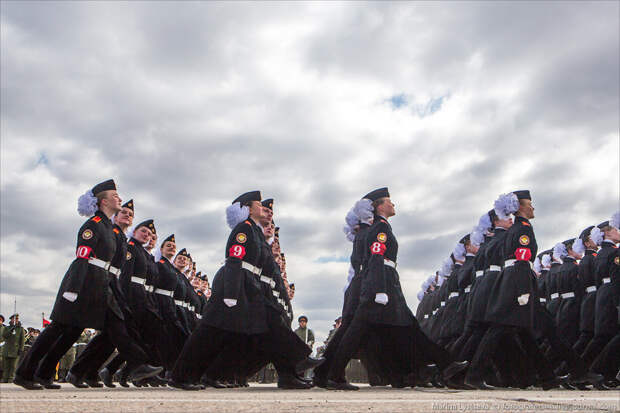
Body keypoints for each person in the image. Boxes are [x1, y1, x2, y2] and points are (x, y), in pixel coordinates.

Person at [14, 179, 161, 390]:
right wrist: (72, 289)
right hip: (84, 281)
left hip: (102, 282)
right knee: (58, 329)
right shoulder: (93, 225)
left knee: (79, 330)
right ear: (103, 201)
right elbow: (82, 257)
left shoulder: (108, 228)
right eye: (115, 196)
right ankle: (24, 373)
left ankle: (44, 373)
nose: (119, 198)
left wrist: (114, 290)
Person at [170, 191, 322, 390]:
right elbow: (235, 259)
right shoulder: (244, 229)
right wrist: (231, 294)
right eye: (258, 204)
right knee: (209, 332)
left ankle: (295, 362)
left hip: (249, 284)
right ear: (248, 208)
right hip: (235, 282)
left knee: (268, 322)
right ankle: (181, 376)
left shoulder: (255, 231)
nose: (262, 208)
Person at [2, 314, 26, 383]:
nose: (15, 320)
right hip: (7, 348)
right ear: (11, 320)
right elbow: (4, 335)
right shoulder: (7, 328)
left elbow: (22, 340)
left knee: (13, 366)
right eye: (14, 319)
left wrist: (21, 349)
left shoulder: (21, 329)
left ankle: (11, 378)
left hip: (15, 349)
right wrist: (11, 330)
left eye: (17, 319)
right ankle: (5, 378)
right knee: (6, 365)